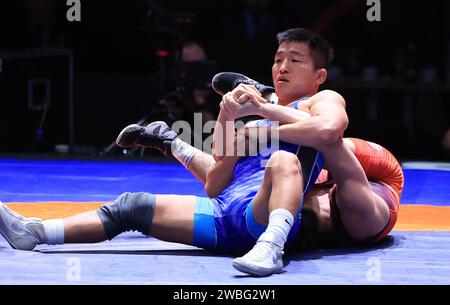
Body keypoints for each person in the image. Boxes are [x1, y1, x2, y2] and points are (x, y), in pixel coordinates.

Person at [0, 28, 404, 277]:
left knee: (283, 161)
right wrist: (229, 115)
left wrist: (262, 111)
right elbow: (215, 184)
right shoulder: (252, 120)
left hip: (262, 217)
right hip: (227, 215)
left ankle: (272, 249)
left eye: (294, 60)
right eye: (278, 59)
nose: (282, 67)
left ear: (318, 75)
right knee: (131, 206)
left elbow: (330, 131)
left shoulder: (320, 101)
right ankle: (35, 233)